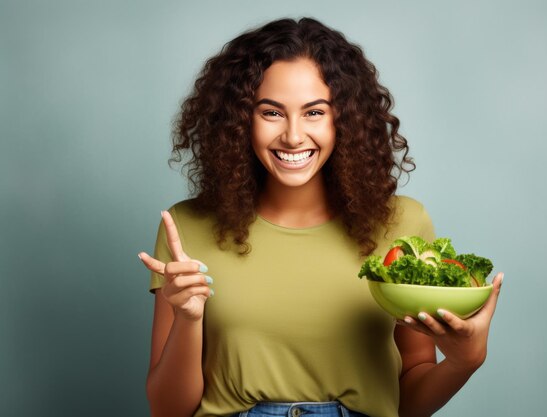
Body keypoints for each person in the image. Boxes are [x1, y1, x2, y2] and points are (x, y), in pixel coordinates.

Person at [138, 17, 503, 417]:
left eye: (314, 112)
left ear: (343, 120)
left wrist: (466, 359)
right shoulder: (186, 228)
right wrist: (189, 319)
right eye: (271, 113)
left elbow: (407, 402)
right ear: (240, 119)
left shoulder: (404, 226)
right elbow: (168, 411)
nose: (293, 136)